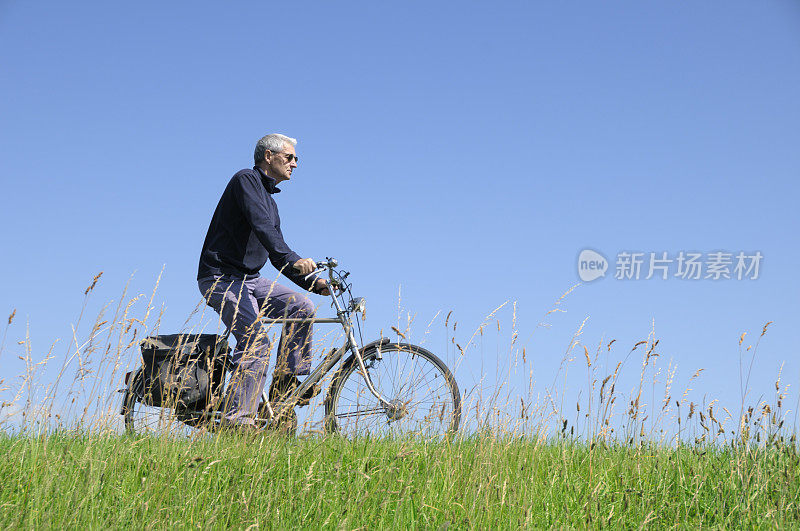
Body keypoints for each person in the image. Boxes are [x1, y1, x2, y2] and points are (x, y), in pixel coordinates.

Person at [197, 133, 328, 430]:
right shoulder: (245, 180)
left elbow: (277, 254)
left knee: (302, 307)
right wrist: (294, 257)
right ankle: (238, 422)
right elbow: (262, 227)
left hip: (250, 280)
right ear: (268, 157)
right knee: (256, 343)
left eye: (296, 159)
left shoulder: (270, 201)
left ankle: (283, 385)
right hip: (221, 279)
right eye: (290, 157)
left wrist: (314, 282)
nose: (295, 163)